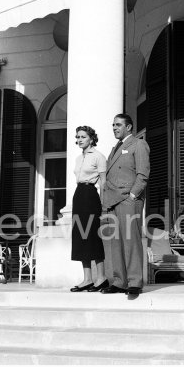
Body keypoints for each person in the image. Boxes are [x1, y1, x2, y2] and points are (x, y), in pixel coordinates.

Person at [101, 114, 150, 300]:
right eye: (113, 124)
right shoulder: (115, 149)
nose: (114, 128)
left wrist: (132, 196)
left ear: (129, 127)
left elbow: (143, 173)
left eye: (118, 125)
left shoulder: (138, 144)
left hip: (128, 200)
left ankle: (135, 282)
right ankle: (119, 282)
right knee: (115, 243)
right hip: (112, 201)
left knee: (131, 241)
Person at [70, 125, 109, 292]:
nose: (79, 139)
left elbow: (104, 183)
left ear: (91, 139)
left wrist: (104, 205)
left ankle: (101, 278)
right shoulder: (78, 158)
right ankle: (87, 279)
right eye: (78, 136)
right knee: (80, 236)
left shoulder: (99, 157)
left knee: (93, 236)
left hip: (91, 195)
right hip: (79, 195)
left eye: (83, 137)